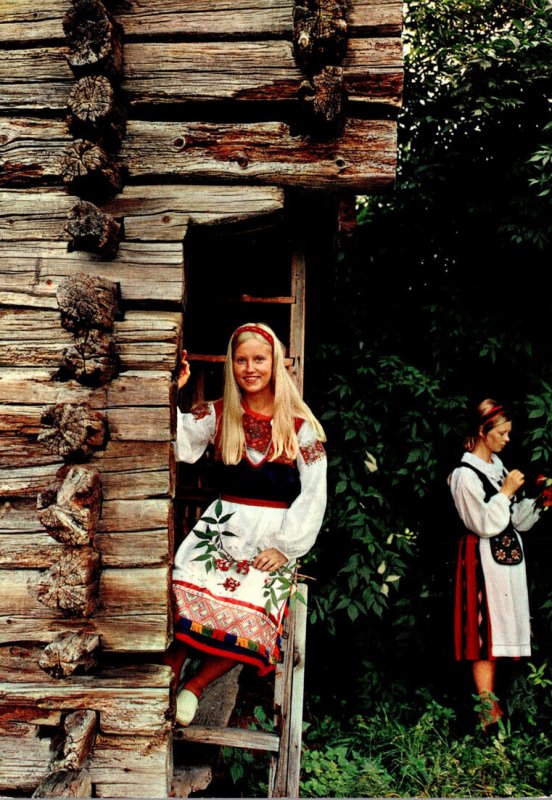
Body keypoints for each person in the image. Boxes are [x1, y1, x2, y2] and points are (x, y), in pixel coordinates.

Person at [165, 322, 327, 726]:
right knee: (185, 592)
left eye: (259, 359)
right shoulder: (219, 413)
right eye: (241, 360)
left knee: (254, 614)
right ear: (231, 365)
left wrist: (286, 548)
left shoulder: (301, 427)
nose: (250, 368)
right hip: (222, 527)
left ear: (275, 363)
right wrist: (176, 390)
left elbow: (315, 492)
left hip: (273, 538)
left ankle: (194, 687)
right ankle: (165, 678)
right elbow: (182, 445)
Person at [449, 398, 542, 728]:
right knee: (483, 633)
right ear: (481, 431)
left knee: (500, 631)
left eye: (508, 433)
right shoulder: (464, 475)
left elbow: (515, 520)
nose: (506, 439)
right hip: (480, 560)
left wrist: (539, 501)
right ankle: (487, 710)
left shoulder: (497, 466)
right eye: (501, 433)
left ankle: (495, 710)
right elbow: (483, 523)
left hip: (507, 560)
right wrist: (504, 492)